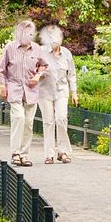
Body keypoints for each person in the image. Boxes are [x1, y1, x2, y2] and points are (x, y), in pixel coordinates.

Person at [0, 20, 49, 166]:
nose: (29, 36)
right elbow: (1, 70)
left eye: (31, 34)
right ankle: (15, 153)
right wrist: (2, 86)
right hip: (14, 88)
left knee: (29, 123)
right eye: (27, 33)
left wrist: (37, 76)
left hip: (31, 91)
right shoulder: (10, 47)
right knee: (19, 118)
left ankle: (24, 155)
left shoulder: (37, 49)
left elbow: (44, 66)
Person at [39, 25, 78, 164]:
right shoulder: (42, 51)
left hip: (62, 89)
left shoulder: (67, 53)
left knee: (61, 119)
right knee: (48, 122)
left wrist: (74, 92)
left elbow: (71, 74)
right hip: (45, 90)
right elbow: (34, 70)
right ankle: (49, 154)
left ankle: (63, 151)